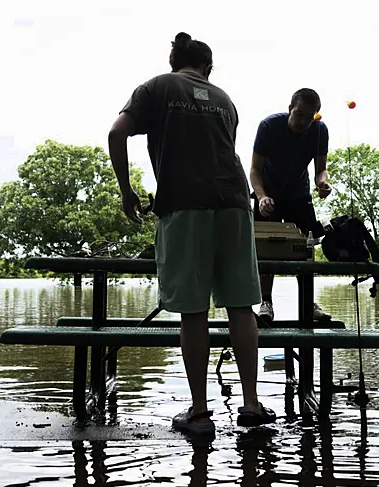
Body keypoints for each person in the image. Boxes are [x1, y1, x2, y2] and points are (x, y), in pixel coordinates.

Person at [107, 32, 276, 437]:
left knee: (194, 311)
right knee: (241, 306)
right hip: (235, 203)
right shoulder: (224, 100)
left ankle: (200, 414)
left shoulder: (157, 87)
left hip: (185, 204)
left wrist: (127, 192)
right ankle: (251, 405)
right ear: (208, 67)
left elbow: (116, 133)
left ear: (175, 62)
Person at [249, 89, 334, 323]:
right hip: (267, 195)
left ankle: (308, 303)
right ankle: (266, 303)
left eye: (310, 116)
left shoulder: (319, 130)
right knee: (266, 250)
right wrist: (262, 196)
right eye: (299, 114)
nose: (303, 122)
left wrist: (323, 183)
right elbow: (255, 169)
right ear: (290, 109)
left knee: (305, 249)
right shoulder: (269, 127)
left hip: (299, 195)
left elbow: (321, 170)